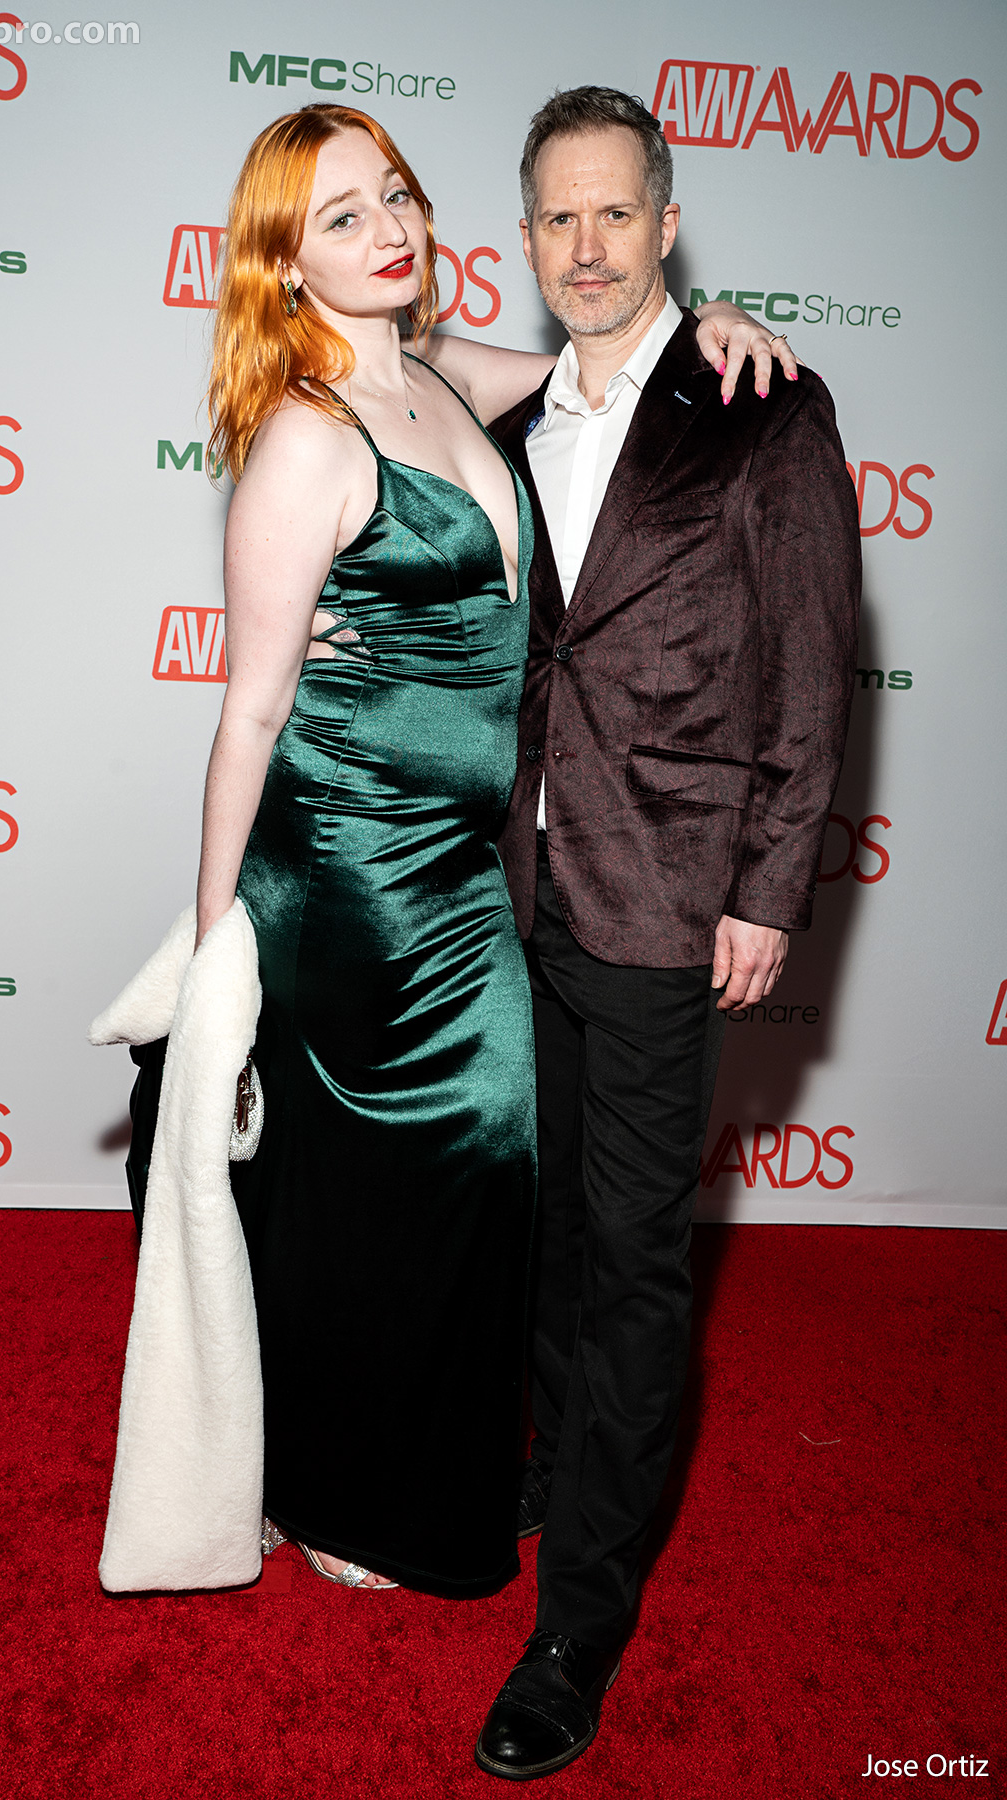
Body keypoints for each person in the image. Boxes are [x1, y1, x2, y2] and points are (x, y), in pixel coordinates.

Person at [129, 100, 790, 1595]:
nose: (389, 230)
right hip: (348, 866)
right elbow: (250, 712)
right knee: (395, 1171)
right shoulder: (304, 437)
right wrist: (218, 941)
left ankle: (378, 1468)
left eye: (398, 196)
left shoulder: (443, 370)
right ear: (286, 261)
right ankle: (337, 1488)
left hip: (467, 866)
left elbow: (606, 368)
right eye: (343, 216)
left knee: (463, 1175)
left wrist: (716, 322)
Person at [473, 87, 861, 1778]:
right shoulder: (511, 418)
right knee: (553, 1226)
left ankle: (580, 1623)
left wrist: (769, 888)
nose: (587, 247)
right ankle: (557, 1466)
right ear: (528, 235)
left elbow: (813, 663)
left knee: (635, 1260)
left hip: (668, 897)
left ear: (669, 218)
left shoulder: (760, 403)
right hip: (521, 894)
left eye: (615, 212)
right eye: (558, 217)